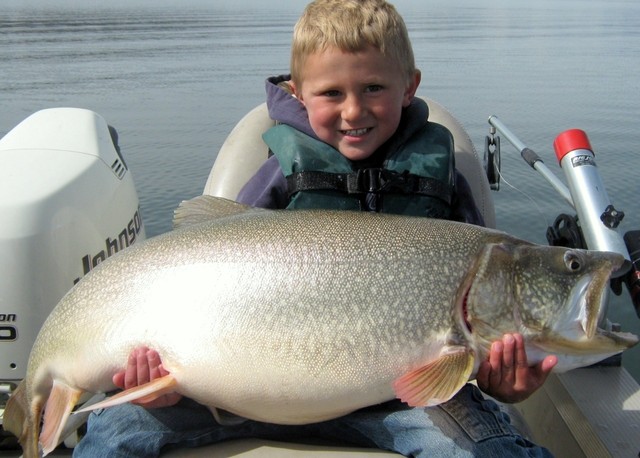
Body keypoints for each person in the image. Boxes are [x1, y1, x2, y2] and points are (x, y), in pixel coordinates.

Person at [74, 0, 556, 456]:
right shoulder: (277, 177)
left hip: (393, 399)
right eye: (331, 93)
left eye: (373, 88)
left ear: (409, 86)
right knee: (116, 429)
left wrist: (499, 378)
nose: (353, 111)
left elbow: (475, 324)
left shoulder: (445, 187)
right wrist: (156, 381)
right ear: (297, 95)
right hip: (240, 396)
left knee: (489, 447)